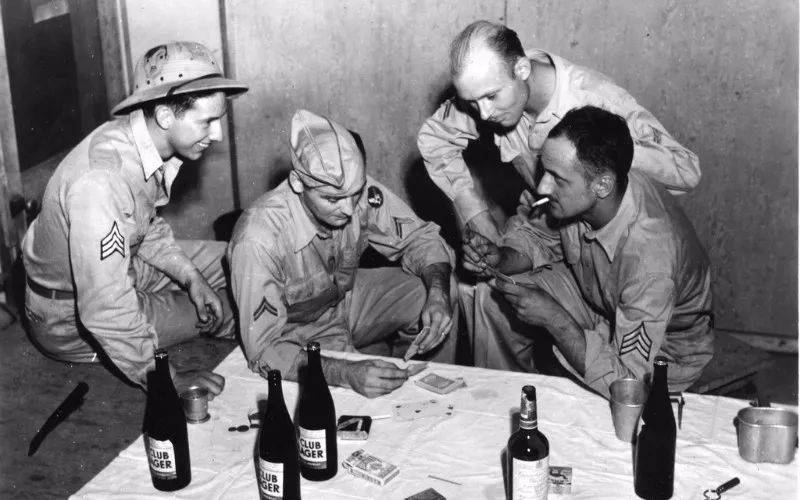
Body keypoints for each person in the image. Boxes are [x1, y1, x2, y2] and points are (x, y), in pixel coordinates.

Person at [22, 41, 248, 397]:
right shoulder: (101, 181)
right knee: (233, 307)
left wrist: (191, 277)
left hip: (123, 266)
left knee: (242, 258)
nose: (217, 134)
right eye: (208, 121)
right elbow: (104, 307)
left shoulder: (138, 141)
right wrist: (166, 380)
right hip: (68, 317)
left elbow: (144, 228)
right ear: (165, 116)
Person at [461, 106, 713, 398]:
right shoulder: (593, 189)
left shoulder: (650, 260)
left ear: (603, 185)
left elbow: (629, 386)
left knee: (594, 404)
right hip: (599, 303)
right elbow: (538, 235)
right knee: (493, 294)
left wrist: (554, 318)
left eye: (557, 178)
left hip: (663, 351)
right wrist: (501, 257)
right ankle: (500, 400)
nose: (542, 186)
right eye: (544, 171)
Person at [228, 110, 457, 398]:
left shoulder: (351, 189)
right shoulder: (258, 238)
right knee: (351, 403)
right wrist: (344, 372)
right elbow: (264, 350)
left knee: (436, 287)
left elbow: (421, 237)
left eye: (355, 194)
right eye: (332, 199)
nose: (349, 210)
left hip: (344, 301)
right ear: (297, 183)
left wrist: (438, 293)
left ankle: (425, 386)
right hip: (296, 332)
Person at [417, 20, 700, 243]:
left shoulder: (595, 98)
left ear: (522, 69)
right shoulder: (489, 89)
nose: (483, 114)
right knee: (485, 285)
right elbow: (434, 138)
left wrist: (605, 150)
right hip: (552, 234)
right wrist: (476, 215)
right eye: (472, 102)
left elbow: (686, 171)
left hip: (614, 246)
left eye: (491, 97)